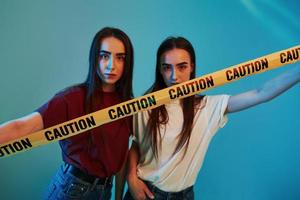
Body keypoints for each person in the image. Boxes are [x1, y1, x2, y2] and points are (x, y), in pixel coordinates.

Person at [124, 37, 300, 200]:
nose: (174, 76)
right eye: (167, 67)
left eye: (182, 66)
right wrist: (131, 177)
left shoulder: (207, 107)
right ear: (160, 69)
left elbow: (261, 93)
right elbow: (137, 144)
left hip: (184, 195)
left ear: (192, 66)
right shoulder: (145, 106)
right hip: (145, 193)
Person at [0, 27, 134, 200]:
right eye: (104, 56)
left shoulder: (128, 105)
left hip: (104, 192)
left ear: (127, 63)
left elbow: (120, 156)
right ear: (94, 58)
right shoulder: (72, 98)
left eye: (120, 58)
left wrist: (117, 197)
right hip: (72, 189)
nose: (111, 65)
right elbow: (22, 126)